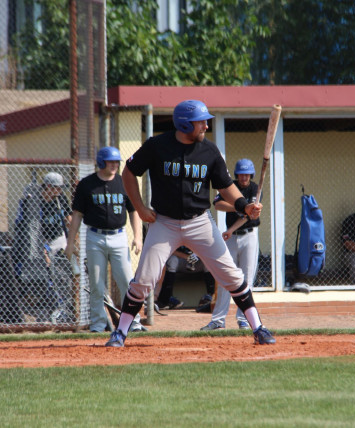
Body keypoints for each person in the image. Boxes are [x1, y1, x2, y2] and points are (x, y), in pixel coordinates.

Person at [106, 99, 276, 347]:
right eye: (201, 122)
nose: (206, 126)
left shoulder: (209, 151)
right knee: (144, 280)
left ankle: (258, 328)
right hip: (164, 223)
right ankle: (120, 333)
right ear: (185, 124)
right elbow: (128, 173)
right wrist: (141, 208)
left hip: (200, 223)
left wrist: (244, 206)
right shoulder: (157, 146)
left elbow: (225, 186)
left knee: (231, 275)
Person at [65, 146, 145, 333]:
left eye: (117, 162)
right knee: (96, 283)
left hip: (118, 236)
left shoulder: (124, 182)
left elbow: (135, 212)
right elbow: (77, 214)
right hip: (95, 237)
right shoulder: (86, 184)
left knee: (127, 281)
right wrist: (70, 242)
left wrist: (138, 237)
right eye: (111, 162)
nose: (115, 165)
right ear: (101, 162)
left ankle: (133, 322)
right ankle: (98, 324)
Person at [201, 158, 260, 331]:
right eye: (241, 173)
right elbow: (218, 204)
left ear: (251, 174)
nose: (243, 177)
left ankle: (243, 319)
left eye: (247, 173)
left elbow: (248, 216)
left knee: (247, 278)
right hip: (232, 238)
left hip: (248, 236)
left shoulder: (255, 189)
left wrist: (238, 218)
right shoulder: (230, 187)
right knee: (226, 277)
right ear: (237, 174)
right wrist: (240, 206)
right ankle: (218, 320)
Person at [12, 171, 73, 324]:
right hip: (40, 241)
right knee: (46, 274)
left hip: (58, 238)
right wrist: (43, 251)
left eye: (60, 188)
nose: (59, 191)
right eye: (56, 188)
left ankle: (70, 306)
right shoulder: (34, 201)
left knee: (70, 269)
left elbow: (68, 217)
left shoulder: (59, 199)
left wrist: (70, 226)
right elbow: (32, 231)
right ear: (47, 187)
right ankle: (46, 311)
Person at [155, 246, 216, 311]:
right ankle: (166, 299)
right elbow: (168, 250)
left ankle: (211, 298)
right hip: (182, 261)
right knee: (172, 260)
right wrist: (186, 257)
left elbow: (210, 248)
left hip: (197, 261)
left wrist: (199, 255)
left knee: (208, 261)